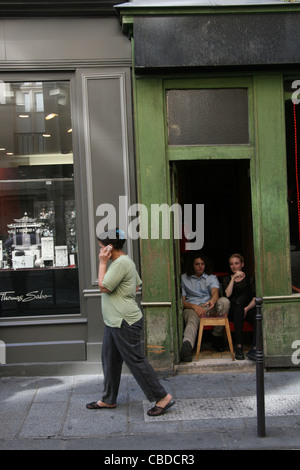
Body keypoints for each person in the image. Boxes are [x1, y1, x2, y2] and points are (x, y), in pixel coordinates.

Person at [86, 228, 175, 417]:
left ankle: (162, 397)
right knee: (109, 360)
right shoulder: (124, 262)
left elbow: (103, 287)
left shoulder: (120, 263)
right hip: (114, 321)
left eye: (102, 247)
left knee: (135, 360)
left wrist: (102, 263)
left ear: (110, 247)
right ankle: (109, 399)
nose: (100, 251)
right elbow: (136, 284)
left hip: (124, 321)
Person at [180, 252, 230, 362]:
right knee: (191, 321)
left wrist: (213, 299)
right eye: (197, 264)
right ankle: (187, 347)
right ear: (192, 265)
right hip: (192, 307)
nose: (200, 266)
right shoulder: (183, 278)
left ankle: (216, 336)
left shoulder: (210, 277)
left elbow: (215, 291)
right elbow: (182, 302)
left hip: (208, 306)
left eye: (202, 264)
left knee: (224, 301)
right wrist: (194, 306)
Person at [222, 253, 256, 361]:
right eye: (231, 264)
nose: (234, 266)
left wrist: (246, 309)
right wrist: (233, 279)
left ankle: (255, 348)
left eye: (236, 263)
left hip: (248, 308)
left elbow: (255, 298)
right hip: (234, 311)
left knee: (257, 316)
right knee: (238, 309)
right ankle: (239, 347)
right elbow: (227, 294)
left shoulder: (250, 279)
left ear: (242, 264)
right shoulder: (227, 279)